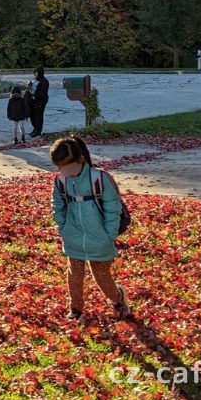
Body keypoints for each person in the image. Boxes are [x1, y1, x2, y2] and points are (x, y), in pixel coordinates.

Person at [50, 135, 131, 321]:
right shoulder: (61, 181)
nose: (64, 171)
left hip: (99, 236)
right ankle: (76, 309)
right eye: (60, 168)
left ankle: (118, 299)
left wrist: (109, 234)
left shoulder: (99, 179)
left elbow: (113, 207)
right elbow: (58, 205)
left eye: (67, 166)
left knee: (101, 276)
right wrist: (62, 227)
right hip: (73, 235)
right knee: (74, 275)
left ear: (80, 160)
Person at [28, 66, 49, 137]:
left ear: (40, 73)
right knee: (32, 115)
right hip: (32, 101)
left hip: (40, 101)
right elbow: (31, 89)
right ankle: (35, 128)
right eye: (35, 72)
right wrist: (29, 86)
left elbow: (43, 92)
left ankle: (38, 131)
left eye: (37, 72)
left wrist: (35, 97)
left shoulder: (44, 81)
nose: (35, 74)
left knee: (38, 116)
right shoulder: (34, 80)